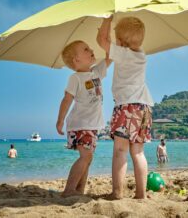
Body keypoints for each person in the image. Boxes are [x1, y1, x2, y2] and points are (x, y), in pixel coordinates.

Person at [97, 16, 153, 199]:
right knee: (138, 152)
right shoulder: (141, 55)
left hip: (126, 106)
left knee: (120, 150)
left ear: (120, 42)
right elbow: (109, 45)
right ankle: (141, 194)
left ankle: (117, 192)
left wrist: (107, 19)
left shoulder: (122, 53)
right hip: (144, 107)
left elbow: (101, 40)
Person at [56, 40, 111, 197]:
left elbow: (110, 58)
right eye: (86, 49)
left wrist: (109, 42)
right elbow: (67, 99)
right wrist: (60, 120)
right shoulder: (75, 78)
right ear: (76, 60)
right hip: (80, 124)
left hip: (92, 125)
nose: (91, 50)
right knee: (86, 156)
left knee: (88, 158)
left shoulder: (96, 72)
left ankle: (79, 191)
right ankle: (69, 190)